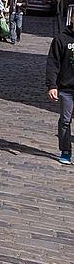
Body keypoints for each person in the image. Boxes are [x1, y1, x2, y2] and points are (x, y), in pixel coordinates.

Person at [46, 18, 74, 165]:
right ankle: (66, 150)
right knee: (65, 121)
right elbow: (53, 63)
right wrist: (52, 85)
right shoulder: (61, 39)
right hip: (67, 88)